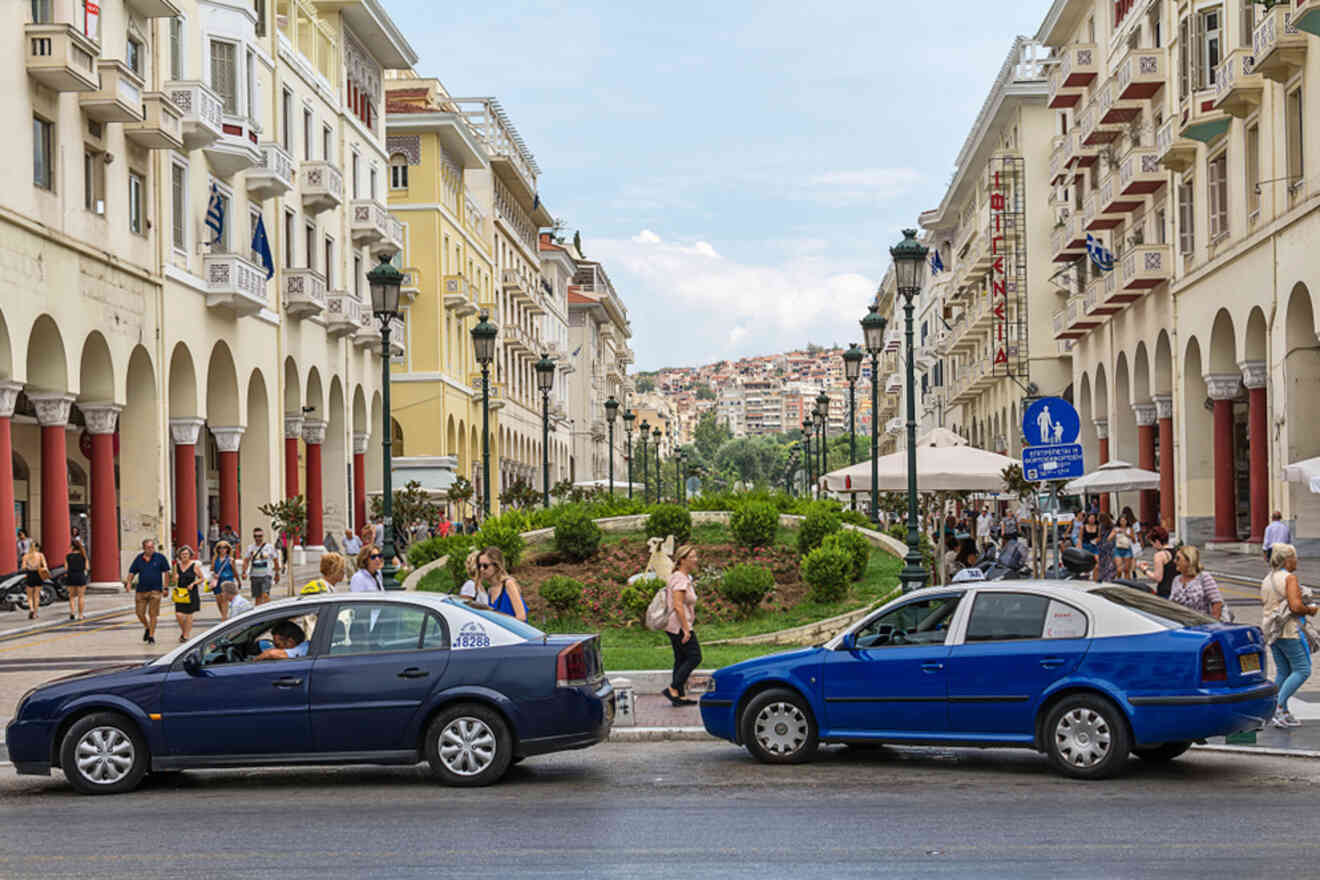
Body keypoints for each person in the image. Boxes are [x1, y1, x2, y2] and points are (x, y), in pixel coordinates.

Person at [1261, 544, 1317, 728]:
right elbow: (1295, 607)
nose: (1297, 560)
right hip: (1289, 630)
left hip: (1272, 631)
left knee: (1283, 671)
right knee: (1303, 669)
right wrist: (1310, 609)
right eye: (1294, 557)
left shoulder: (1267, 579)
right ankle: (1278, 708)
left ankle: (1283, 711)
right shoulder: (1289, 578)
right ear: (1287, 560)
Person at [662, 544, 702, 706]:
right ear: (682, 560)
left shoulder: (681, 577)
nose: (696, 560)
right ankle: (673, 688)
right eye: (692, 557)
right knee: (694, 656)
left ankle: (679, 696)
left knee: (681, 659)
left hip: (675, 625)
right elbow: (678, 605)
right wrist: (686, 629)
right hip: (679, 626)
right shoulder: (679, 578)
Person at [125, 538, 170, 644]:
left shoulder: (160, 558)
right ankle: (147, 627)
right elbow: (132, 572)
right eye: (149, 547)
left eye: (152, 547)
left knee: (153, 614)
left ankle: (151, 636)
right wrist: (128, 583)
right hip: (141, 590)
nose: (151, 549)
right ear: (144, 548)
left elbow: (166, 573)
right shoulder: (139, 559)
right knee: (139, 613)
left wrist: (166, 588)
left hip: (156, 590)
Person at [1168, 545, 1224, 619]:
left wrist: (1213, 624)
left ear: (1189, 561)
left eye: (1178, 558)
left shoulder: (1204, 577)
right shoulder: (1176, 580)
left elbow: (1217, 603)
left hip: (1201, 625)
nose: (1174, 561)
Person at [477, 546, 526, 620]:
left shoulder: (508, 584)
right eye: (479, 566)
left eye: (485, 566)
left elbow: (521, 617)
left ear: (496, 566)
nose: (481, 569)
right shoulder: (490, 589)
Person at [171, 545, 203, 642]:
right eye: (182, 554)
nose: (184, 556)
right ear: (179, 555)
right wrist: (175, 577)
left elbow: (202, 578)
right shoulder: (177, 566)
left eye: (186, 554)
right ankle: (184, 632)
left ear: (190, 555)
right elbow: (173, 580)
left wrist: (193, 583)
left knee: (189, 614)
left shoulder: (194, 565)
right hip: (180, 592)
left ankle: (186, 635)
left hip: (191, 591)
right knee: (179, 614)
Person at [242, 527, 280, 605]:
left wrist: (277, 574)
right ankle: (259, 613)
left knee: (265, 595)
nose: (257, 538)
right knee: (257, 597)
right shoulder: (250, 547)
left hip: (266, 575)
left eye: (260, 536)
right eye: (255, 536)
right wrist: (244, 572)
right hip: (255, 575)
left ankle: (270, 610)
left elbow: (275, 561)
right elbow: (246, 561)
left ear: (263, 536)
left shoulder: (269, 547)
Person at [1137, 526, 1177, 597]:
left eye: (1152, 543)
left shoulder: (1159, 555)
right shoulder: (1177, 552)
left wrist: (1144, 570)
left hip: (1165, 592)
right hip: (1176, 590)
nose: (1153, 546)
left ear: (1157, 542)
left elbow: (1158, 578)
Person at [209, 540, 240, 619]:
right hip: (217, 581)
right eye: (220, 547)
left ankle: (224, 617)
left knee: (224, 598)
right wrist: (213, 574)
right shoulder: (215, 558)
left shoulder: (230, 559)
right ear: (218, 549)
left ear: (228, 549)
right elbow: (212, 569)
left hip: (227, 580)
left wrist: (238, 581)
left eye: (224, 547)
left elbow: (234, 571)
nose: (222, 549)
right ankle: (223, 615)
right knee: (219, 599)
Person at [20, 540, 48, 621]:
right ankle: (35, 613)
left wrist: (29, 566)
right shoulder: (40, 555)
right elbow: (45, 566)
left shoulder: (26, 556)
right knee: (36, 595)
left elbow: (23, 567)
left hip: (30, 574)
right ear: (37, 547)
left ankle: (31, 609)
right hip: (38, 574)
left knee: (29, 596)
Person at [64, 538, 88, 621]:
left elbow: (66, 568)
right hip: (80, 575)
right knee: (81, 596)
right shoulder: (83, 556)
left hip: (71, 576)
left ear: (71, 547)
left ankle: (72, 613)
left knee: (71, 596)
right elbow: (87, 568)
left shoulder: (68, 556)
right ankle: (80, 615)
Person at [1110, 512, 1136, 579]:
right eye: (1121, 520)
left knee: (1126, 570)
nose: (1123, 522)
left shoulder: (1130, 529)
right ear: (1119, 521)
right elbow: (1109, 539)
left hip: (1127, 549)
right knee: (1119, 569)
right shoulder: (1116, 528)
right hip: (1118, 549)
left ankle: (1127, 584)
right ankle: (1118, 581)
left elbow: (1134, 541)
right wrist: (1115, 533)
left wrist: (1127, 534)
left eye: (1124, 520)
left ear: (1127, 521)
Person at [1093, 512, 1117, 582]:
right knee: (1107, 563)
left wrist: (1097, 542)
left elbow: (1100, 536)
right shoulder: (1107, 525)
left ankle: (1104, 577)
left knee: (1104, 563)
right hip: (1107, 545)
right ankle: (1107, 577)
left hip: (1106, 546)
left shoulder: (1109, 526)